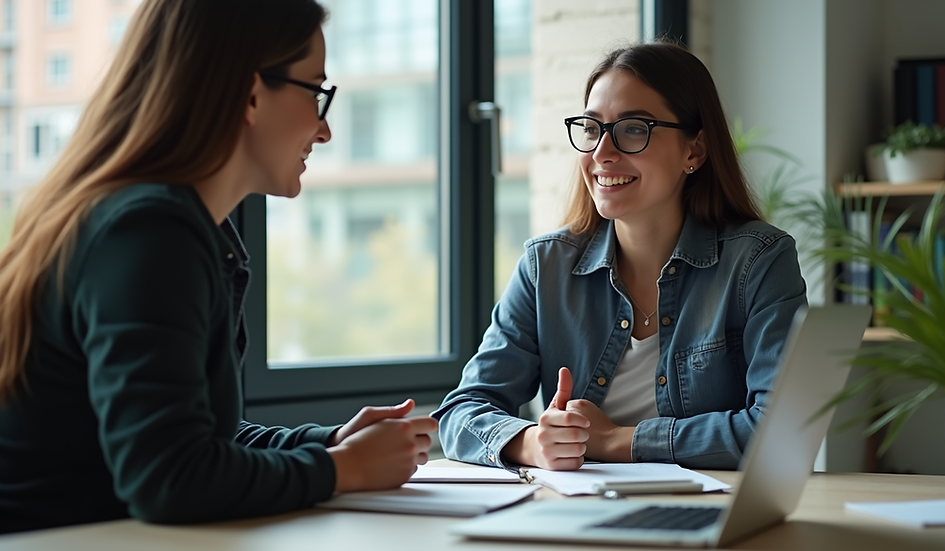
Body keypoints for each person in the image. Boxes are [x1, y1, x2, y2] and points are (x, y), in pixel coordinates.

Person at [0, 0, 437, 534]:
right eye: (317, 93)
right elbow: (169, 477)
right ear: (250, 94)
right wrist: (341, 469)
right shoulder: (148, 234)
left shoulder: (180, 227)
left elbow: (201, 439)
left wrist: (329, 444)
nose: (324, 132)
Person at [434, 41, 807, 472]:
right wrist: (532, 442)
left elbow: (781, 432)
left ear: (694, 151)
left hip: (711, 517)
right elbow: (462, 412)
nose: (601, 153)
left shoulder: (758, 261)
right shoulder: (546, 267)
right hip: (577, 515)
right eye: (592, 129)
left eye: (633, 129)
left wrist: (615, 440)